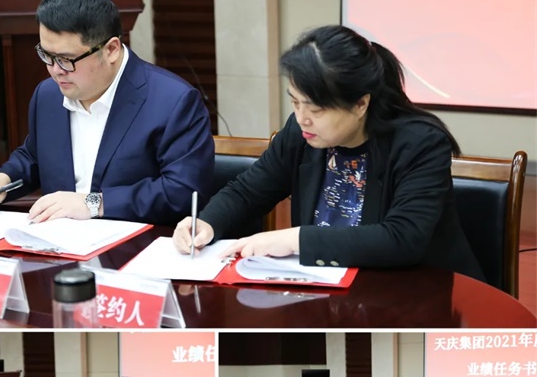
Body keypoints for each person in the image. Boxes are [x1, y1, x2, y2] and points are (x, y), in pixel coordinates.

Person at [172, 25, 483, 281]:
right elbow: (248, 191)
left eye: (316, 109)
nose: (302, 118)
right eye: (295, 102)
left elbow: (402, 238)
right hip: (329, 289)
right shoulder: (301, 132)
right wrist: (207, 223)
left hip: (418, 292)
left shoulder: (419, 143)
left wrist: (292, 239)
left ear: (360, 104)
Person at [0, 0, 214, 226]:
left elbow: (182, 192)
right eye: (46, 55)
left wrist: (93, 204)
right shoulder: (48, 95)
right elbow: (34, 156)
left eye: (66, 59)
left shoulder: (173, 101)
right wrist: (1, 180)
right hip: (58, 243)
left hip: (136, 243)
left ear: (111, 49)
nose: (55, 70)